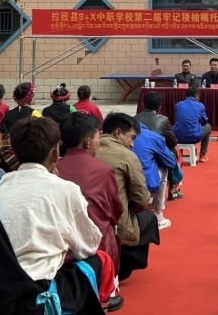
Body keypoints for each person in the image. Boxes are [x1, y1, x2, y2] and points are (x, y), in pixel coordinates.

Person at [0, 115, 111, 315]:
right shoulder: (66, 189)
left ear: (15, 152)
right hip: (35, 293)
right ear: (55, 153)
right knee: (100, 260)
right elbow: (88, 245)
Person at [57, 112, 124, 305]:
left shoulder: (54, 168)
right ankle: (106, 292)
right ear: (87, 142)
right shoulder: (103, 170)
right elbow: (115, 212)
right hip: (93, 243)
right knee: (109, 229)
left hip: (60, 242)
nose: (98, 144)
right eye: (97, 138)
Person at [95, 113, 160, 281]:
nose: (132, 144)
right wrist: (132, 209)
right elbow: (141, 199)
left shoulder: (88, 150)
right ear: (118, 133)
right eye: (132, 137)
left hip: (85, 216)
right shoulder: (127, 156)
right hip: (113, 222)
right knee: (149, 217)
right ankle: (122, 267)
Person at [131, 120, 178, 229]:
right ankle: (158, 215)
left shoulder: (108, 139)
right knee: (164, 168)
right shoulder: (152, 136)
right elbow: (170, 162)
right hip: (141, 183)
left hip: (113, 184)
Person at [134, 92, 181, 199]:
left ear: (143, 104)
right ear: (159, 108)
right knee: (173, 151)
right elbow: (173, 141)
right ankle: (172, 188)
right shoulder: (163, 120)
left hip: (136, 154)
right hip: (155, 155)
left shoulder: (134, 119)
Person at [0, 82, 42, 172]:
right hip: (29, 159)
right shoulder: (35, 114)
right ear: (30, 97)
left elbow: (0, 138)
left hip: (7, 160)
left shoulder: (8, 114)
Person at [173, 87, 212, 163]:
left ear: (186, 96)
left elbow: (179, 119)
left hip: (177, 136)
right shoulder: (200, 105)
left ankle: (177, 153)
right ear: (197, 97)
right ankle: (202, 154)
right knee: (208, 126)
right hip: (194, 136)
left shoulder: (178, 105)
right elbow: (205, 121)